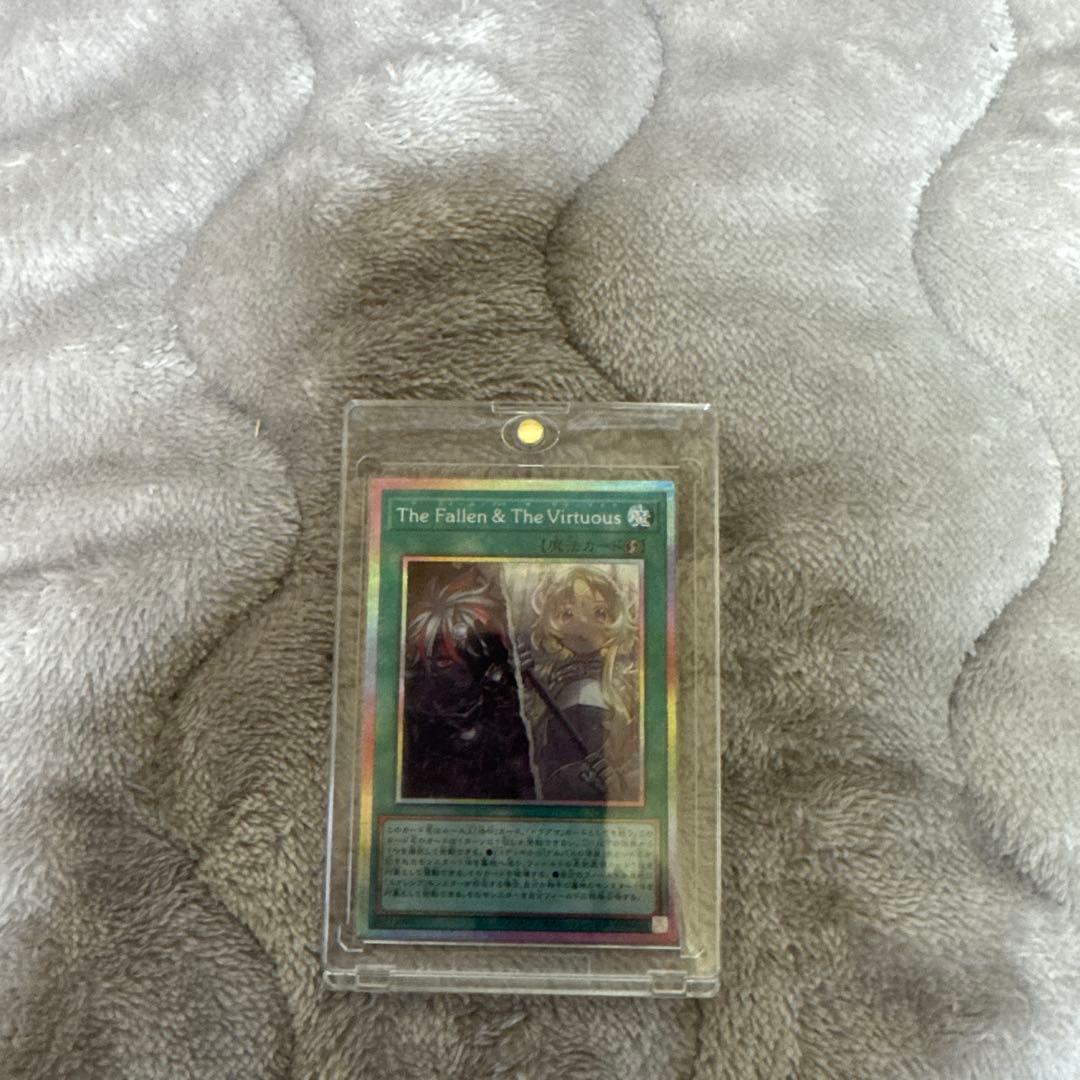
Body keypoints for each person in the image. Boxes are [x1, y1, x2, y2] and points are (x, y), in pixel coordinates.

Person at [524, 565, 641, 801]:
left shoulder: (626, 685)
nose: (584, 624)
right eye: (568, 613)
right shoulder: (549, 682)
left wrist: (617, 780)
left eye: (600, 612)